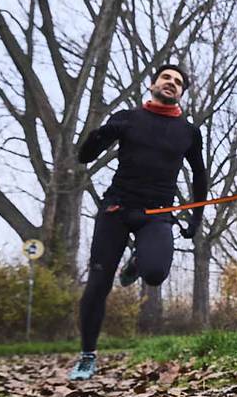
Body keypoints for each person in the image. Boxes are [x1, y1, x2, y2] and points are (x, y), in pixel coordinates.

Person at [69, 65, 208, 380]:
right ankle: (87, 356)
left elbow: (199, 174)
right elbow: (85, 156)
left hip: (157, 213)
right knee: (98, 284)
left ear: (181, 93)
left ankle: (138, 260)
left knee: (156, 273)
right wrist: (103, 132)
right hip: (117, 208)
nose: (171, 83)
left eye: (178, 82)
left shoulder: (187, 131)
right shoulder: (128, 118)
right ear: (152, 84)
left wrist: (196, 217)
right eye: (166, 78)